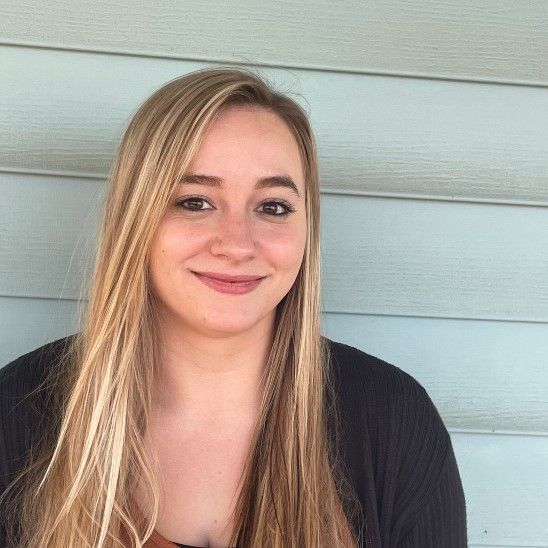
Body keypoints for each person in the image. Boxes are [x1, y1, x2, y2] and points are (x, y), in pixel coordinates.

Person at [0, 66, 467, 547]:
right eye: (196, 201)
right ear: (134, 217)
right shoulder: (19, 412)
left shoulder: (393, 421)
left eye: (273, 206)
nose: (238, 244)